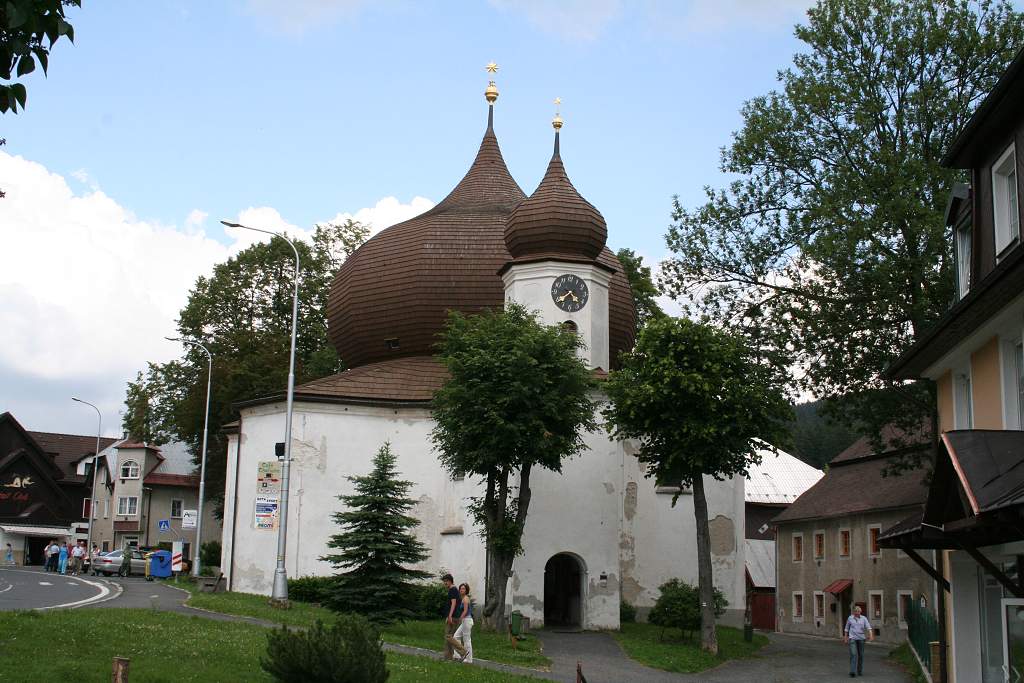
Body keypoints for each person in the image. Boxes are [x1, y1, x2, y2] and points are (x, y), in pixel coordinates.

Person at [441, 574, 468, 660]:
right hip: (454, 616)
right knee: (449, 636)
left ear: (450, 581)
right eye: (444, 581)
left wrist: (450, 616)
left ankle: (463, 651)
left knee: (448, 636)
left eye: (446, 581)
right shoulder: (454, 590)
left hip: (453, 617)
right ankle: (448, 657)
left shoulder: (452, 590)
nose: (444, 583)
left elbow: (453, 603)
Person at [843, 604, 874, 677]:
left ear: (860, 612)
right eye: (856, 611)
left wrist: (871, 635)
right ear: (854, 612)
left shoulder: (864, 618)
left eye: (858, 611)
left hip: (861, 639)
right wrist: (845, 638)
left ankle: (859, 670)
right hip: (852, 638)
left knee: (861, 655)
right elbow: (846, 628)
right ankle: (852, 671)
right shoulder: (850, 618)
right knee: (853, 654)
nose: (857, 612)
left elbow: (868, 627)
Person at [453, 583, 475, 664]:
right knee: (456, 637)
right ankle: (457, 655)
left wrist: (460, 619)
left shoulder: (465, 598)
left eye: (463, 589)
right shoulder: (463, 598)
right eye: (461, 588)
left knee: (467, 640)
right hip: (465, 620)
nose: (461, 590)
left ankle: (469, 659)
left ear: (466, 590)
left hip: (467, 620)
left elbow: (465, 611)